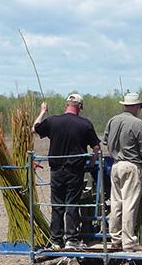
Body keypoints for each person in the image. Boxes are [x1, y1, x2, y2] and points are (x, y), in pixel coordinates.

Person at [32, 93, 101, 250]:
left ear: (66, 105)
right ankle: (71, 239)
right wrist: (90, 163)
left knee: (57, 204)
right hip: (75, 171)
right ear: (80, 107)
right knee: (72, 203)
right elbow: (96, 148)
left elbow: (34, 129)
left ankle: (56, 240)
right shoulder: (85, 124)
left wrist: (43, 111)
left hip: (56, 170)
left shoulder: (52, 121)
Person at [103, 92, 142, 252]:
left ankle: (115, 239)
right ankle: (129, 241)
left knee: (116, 203)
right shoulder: (137, 123)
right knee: (130, 203)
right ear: (137, 106)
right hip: (131, 165)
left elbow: (105, 140)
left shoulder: (113, 120)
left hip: (115, 165)